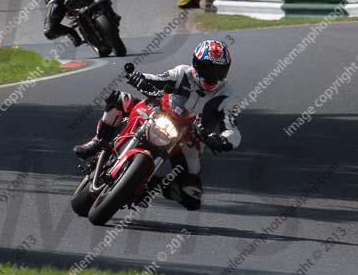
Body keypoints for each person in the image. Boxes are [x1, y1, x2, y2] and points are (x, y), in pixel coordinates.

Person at [74, 39, 240, 210]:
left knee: (191, 195)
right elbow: (158, 78)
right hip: (159, 111)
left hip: (189, 136)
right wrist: (139, 78)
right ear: (196, 64)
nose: (212, 75)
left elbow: (232, 128)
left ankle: (149, 185)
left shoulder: (227, 96)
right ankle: (98, 140)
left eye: (219, 70)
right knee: (120, 99)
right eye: (207, 68)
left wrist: (223, 140)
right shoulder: (183, 73)